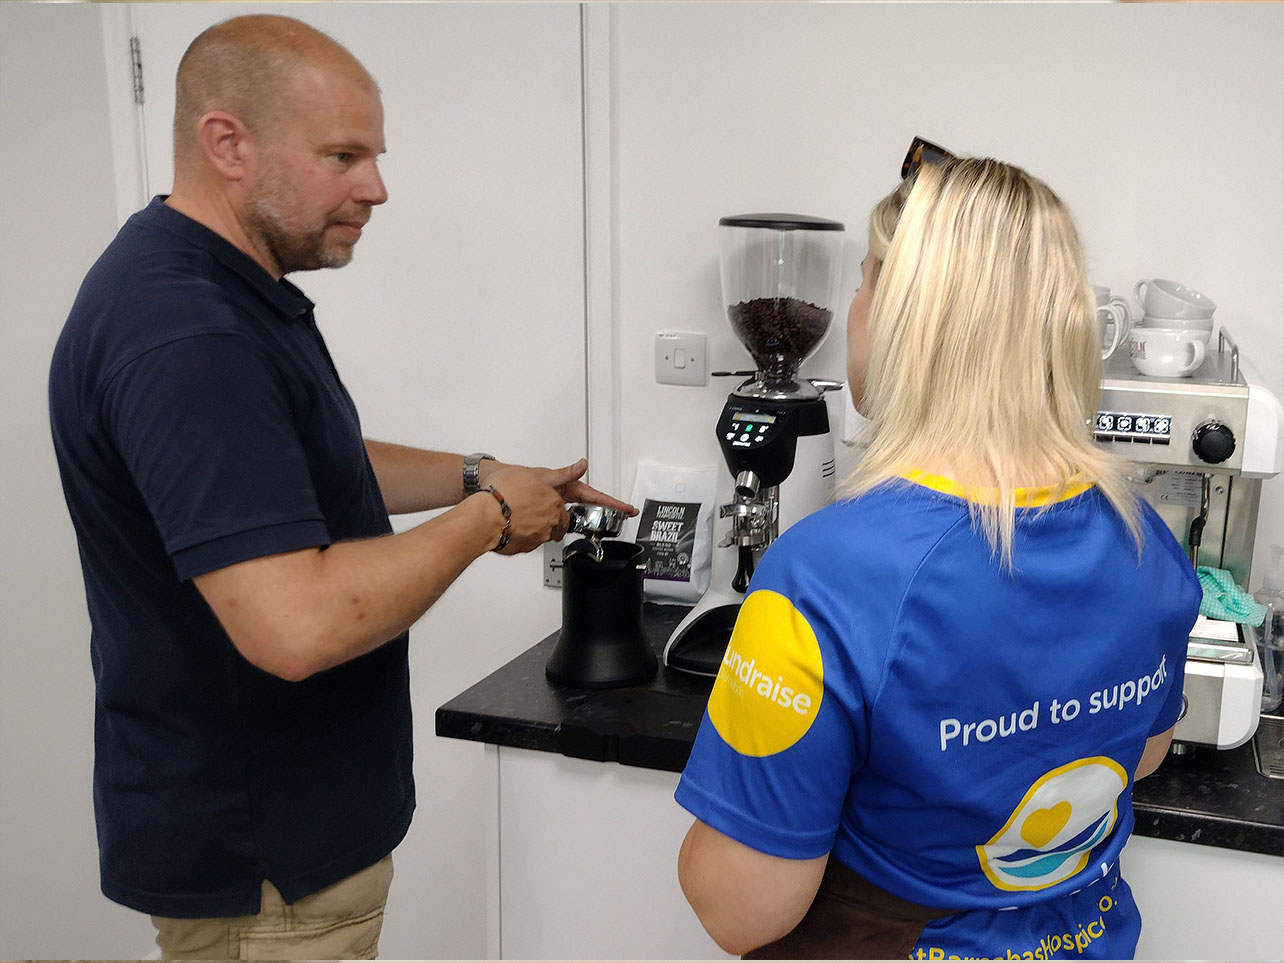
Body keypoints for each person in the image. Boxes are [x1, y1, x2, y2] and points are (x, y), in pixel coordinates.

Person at [47, 14, 632, 960]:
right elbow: (296, 627)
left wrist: (479, 472)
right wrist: (486, 519)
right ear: (227, 143)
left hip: (287, 841)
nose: (377, 187)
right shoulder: (189, 333)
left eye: (375, 154)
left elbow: (290, 462)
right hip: (266, 867)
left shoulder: (205, 280)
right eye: (342, 156)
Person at [673, 145, 1202, 959]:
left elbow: (740, 908)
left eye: (863, 280)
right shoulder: (1144, 533)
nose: (853, 307)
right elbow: (1141, 754)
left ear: (905, 312)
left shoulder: (825, 575)